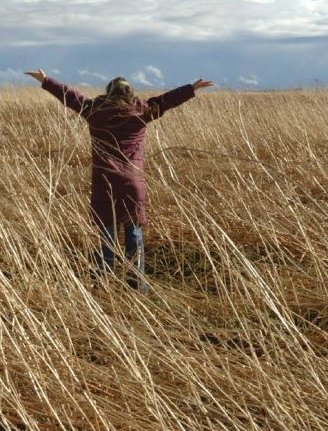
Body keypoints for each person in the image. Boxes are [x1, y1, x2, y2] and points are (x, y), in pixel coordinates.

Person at [24, 69, 213, 292]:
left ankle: (103, 284)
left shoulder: (93, 110)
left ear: (108, 92)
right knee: (134, 236)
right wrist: (191, 89)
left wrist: (46, 81)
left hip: (104, 182)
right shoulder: (141, 111)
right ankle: (137, 286)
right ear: (129, 92)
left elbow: (71, 97)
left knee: (107, 236)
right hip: (132, 184)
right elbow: (165, 101)